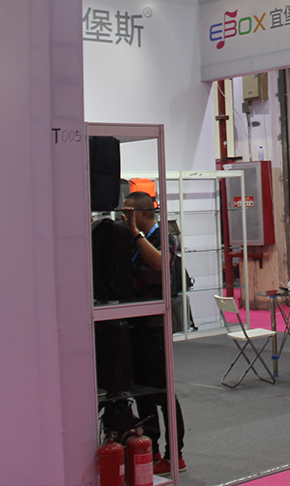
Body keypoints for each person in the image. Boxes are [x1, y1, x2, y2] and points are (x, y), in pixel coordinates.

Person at [123, 191, 187, 475]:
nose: (124, 217)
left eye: (129, 212)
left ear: (144, 213)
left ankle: (176, 457)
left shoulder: (164, 237)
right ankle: (153, 449)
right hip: (135, 325)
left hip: (156, 326)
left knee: (164, 393)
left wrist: (135, 233)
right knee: (142, 393)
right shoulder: (129, 238)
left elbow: (160, 263)